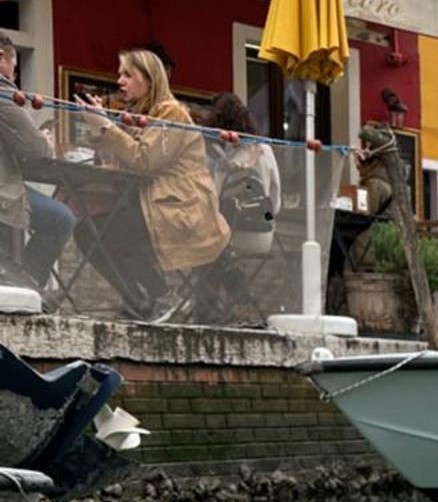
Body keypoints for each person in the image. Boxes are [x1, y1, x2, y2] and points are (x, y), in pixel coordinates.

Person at [71, 49, 230, 321]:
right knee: (92, 232)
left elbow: (144, 160)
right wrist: (103, 126)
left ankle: (159, 298)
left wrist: (106, 126)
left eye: (128, 75)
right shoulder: (150, 114)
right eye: (120, 74)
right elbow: (129, 157)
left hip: (181, 211)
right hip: (159, 207)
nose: (120, 81)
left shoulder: (171, 112)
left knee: (99, 232)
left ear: (150, 81)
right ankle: (143, 301)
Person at [0, 32, 75, 290]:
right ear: (2, 58)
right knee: (60, 218)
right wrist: (45, 141)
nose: (13, 75)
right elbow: (37, 150)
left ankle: (20, 283)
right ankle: (26, 288)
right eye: (14, 68)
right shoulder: (1, 90)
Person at [202, 93, 281, 254]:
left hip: (228, 235)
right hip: (263, 233)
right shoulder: (265, 150)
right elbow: (275, 198)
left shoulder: (220, 160)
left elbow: (213, 201)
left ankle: (212, 278)